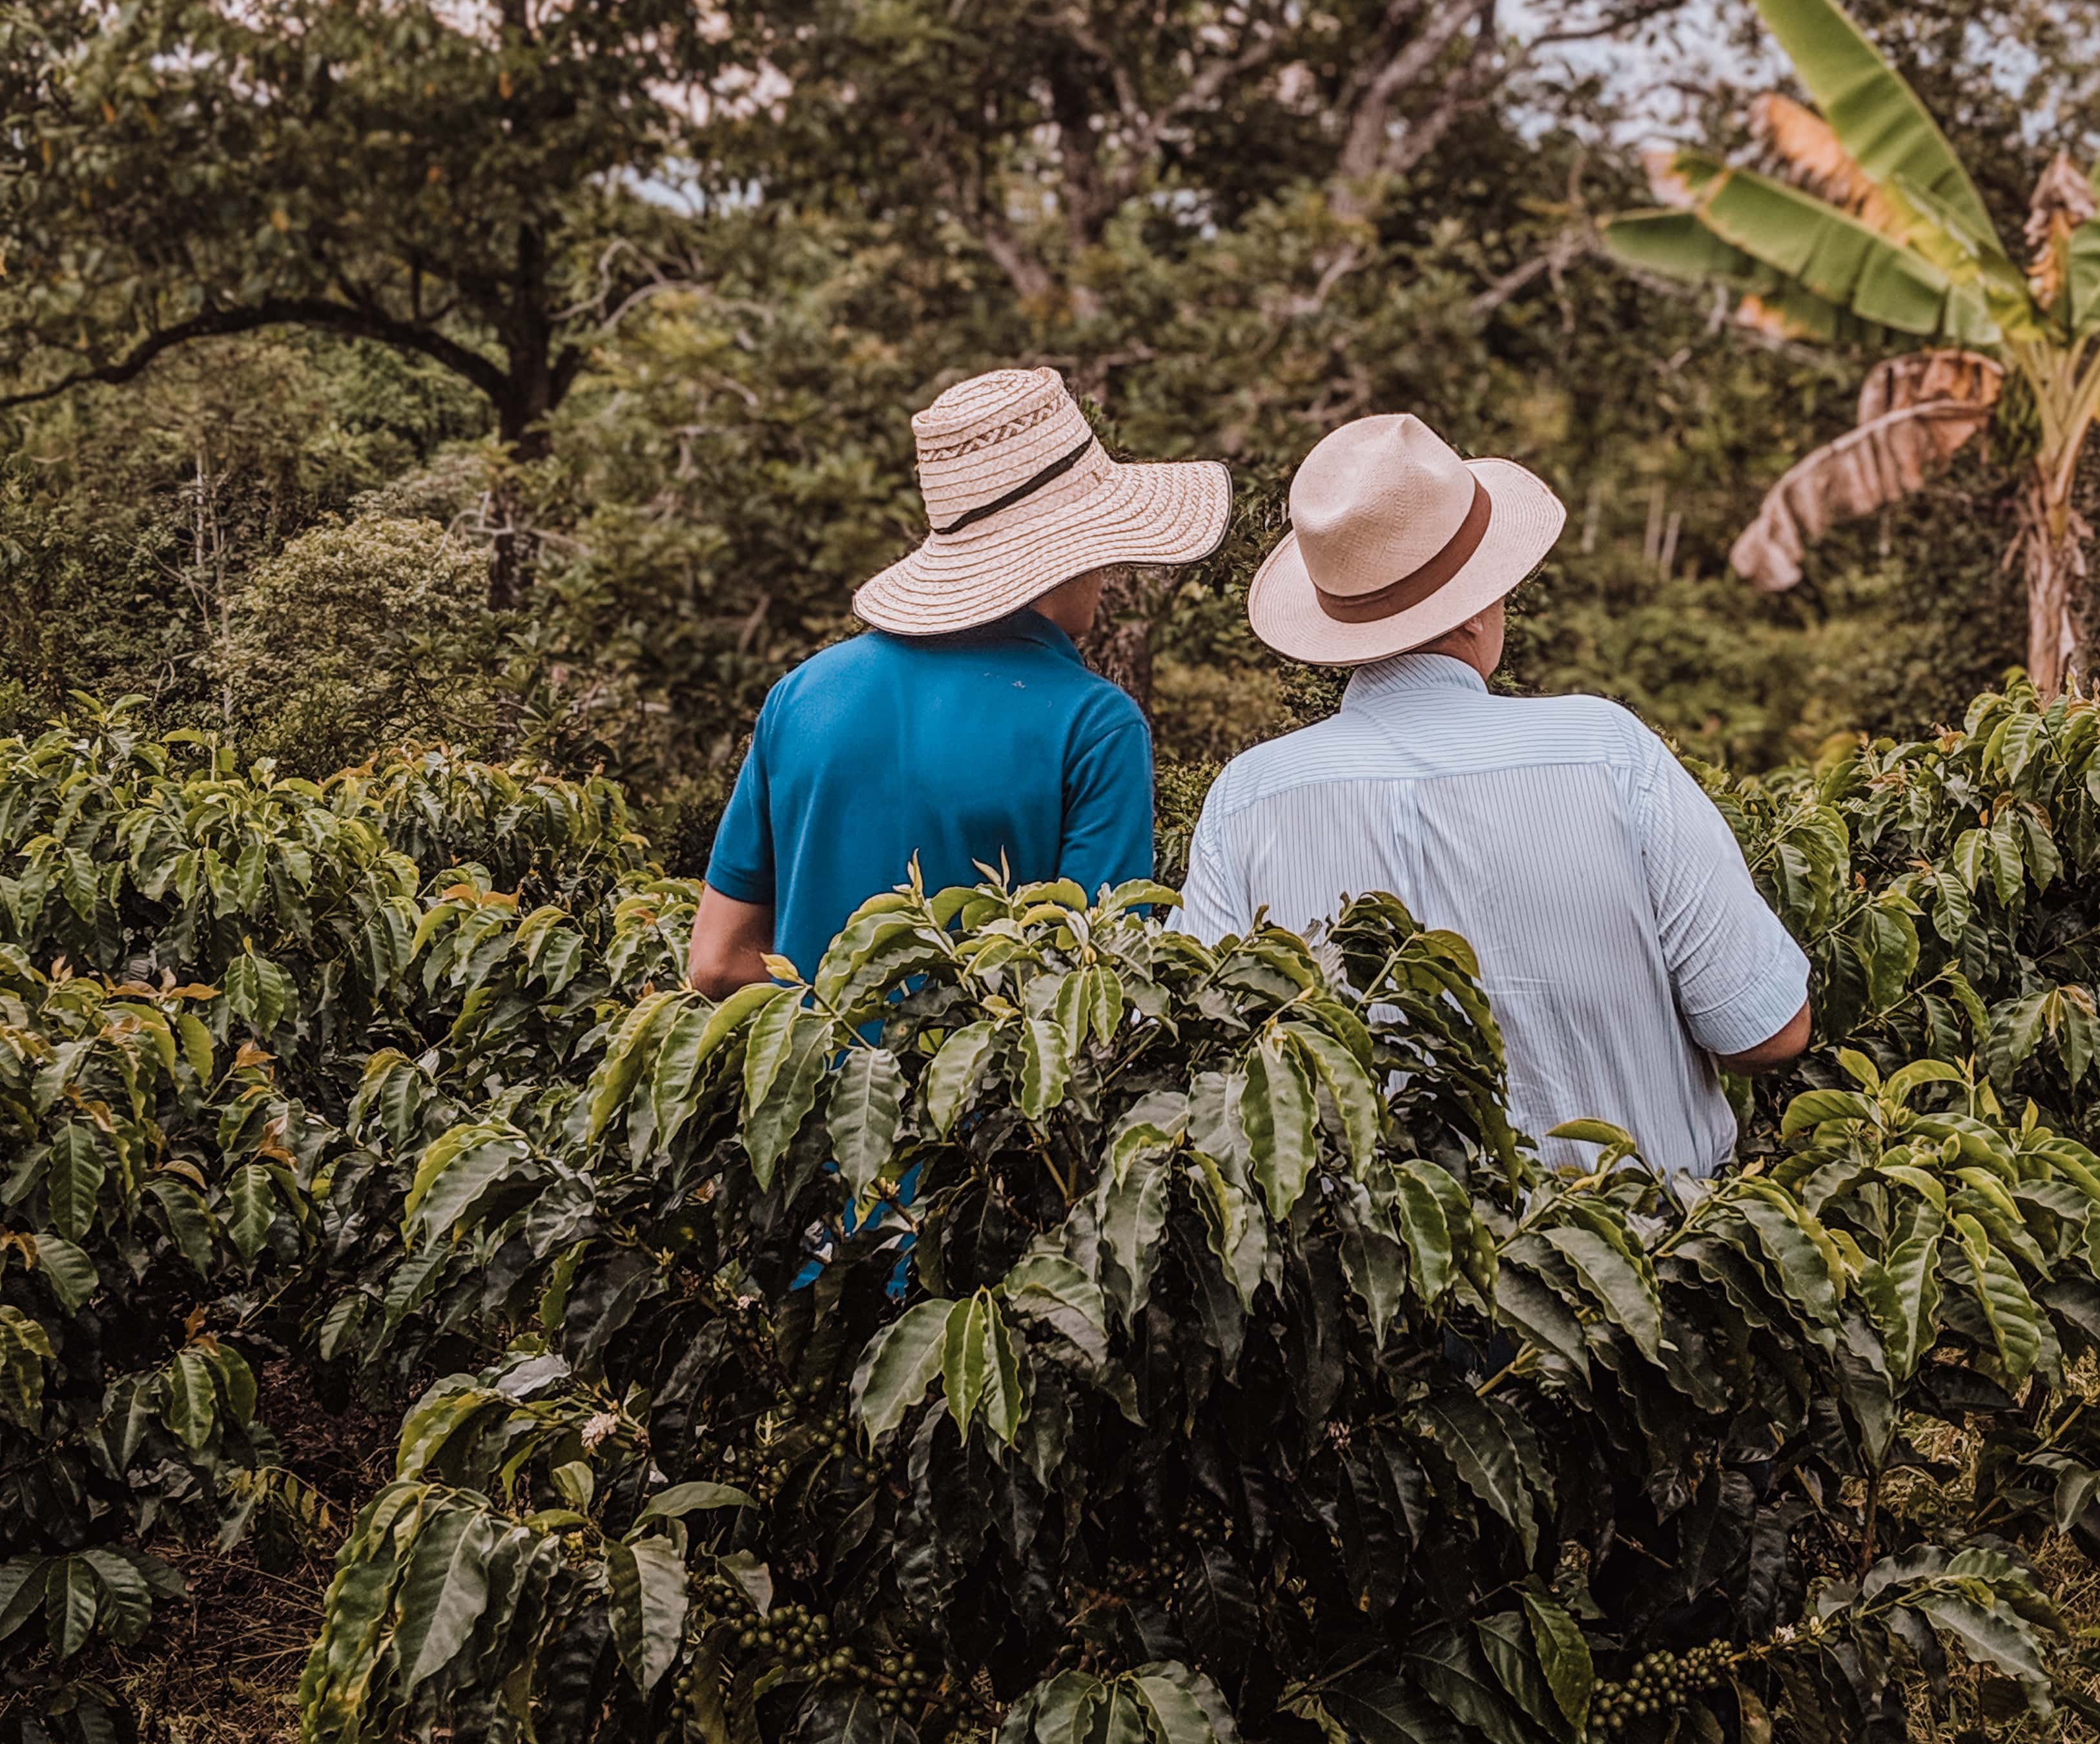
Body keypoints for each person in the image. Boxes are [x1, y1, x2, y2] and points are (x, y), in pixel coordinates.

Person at [1172, 413, 1811, 1174]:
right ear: (1475, 606)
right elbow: (1766, 1032)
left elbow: (1210, 1058)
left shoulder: (1248, 799)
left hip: (1371, 1280)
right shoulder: (1606, 752)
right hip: (1647, 1261)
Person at [690, 367, 1229, 996]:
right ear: (1073, 550)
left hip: (803, 1089)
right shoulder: (1094, 725)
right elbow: (1091, 988)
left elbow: (716, 961)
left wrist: (844, 1000)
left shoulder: (803, 696)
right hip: (990, 1095)